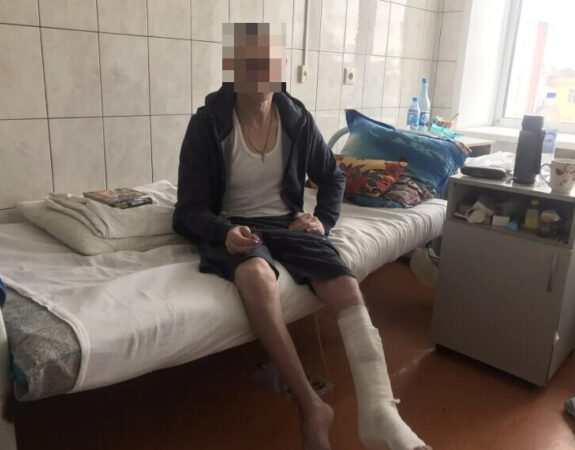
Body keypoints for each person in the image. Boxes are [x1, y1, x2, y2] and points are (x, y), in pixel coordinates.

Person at [173, 22, 430, 450]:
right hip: (234, 226)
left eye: (268, 62)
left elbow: (333, 177)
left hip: (287, 223)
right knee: (256, 276)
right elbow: (187, 209)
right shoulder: (208, 125)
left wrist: (323, 222)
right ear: (232, 68)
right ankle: (312, 407)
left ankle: (381, 412)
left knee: (345, 282)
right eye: (248, 62)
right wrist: (223, 231)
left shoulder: (296, 119)